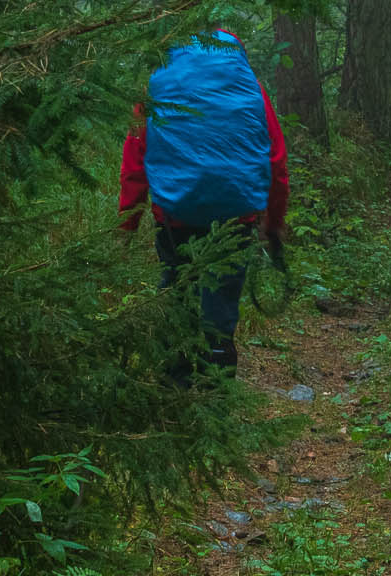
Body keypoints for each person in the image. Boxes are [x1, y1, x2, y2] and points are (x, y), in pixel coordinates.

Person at [118, 27, 290, 385]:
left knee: (177, 289)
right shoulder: (251, 91)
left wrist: (126, 226)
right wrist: (273, 221)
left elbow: (135, 160)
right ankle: (217, 389)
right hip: (236, 214)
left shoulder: (155, 88)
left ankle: (175, 385)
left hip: (174, 215)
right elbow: (275, 160)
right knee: (222, 301)